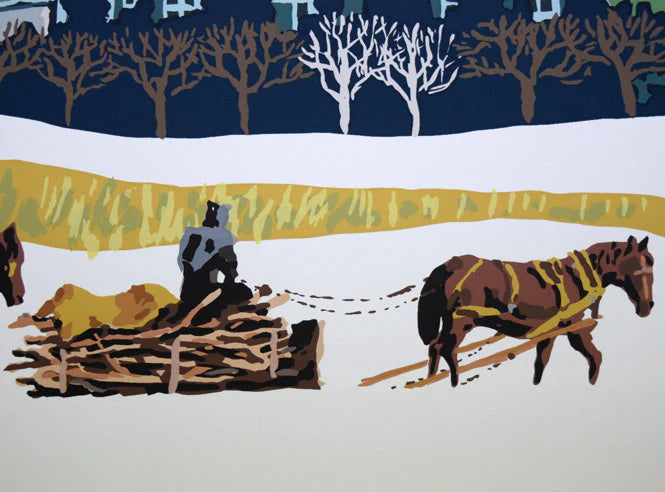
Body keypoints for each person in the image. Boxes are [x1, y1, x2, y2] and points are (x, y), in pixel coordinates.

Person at [177, 201, 251, 309]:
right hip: (204, 295)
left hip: (186, 293)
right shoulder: (221, 236)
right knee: (244, 291)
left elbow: (182, 262)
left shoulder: (190, 233)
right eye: (224, 217)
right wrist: (229, 281)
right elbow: (231, 267)